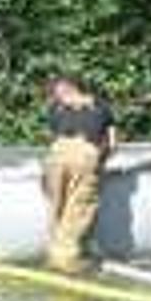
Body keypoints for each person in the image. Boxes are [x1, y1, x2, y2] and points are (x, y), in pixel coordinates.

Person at [42, 75, 115, 274]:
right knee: (79, 207)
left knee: (57, 206)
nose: (55, 95)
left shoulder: (55, 109)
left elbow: (52, 140)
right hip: (85, 151)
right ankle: (66, 260)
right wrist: (99, 164)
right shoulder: (102, 106)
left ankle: (54, 255)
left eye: (56, 90)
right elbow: (111, 142)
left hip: (57, 153)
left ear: (68, 87)